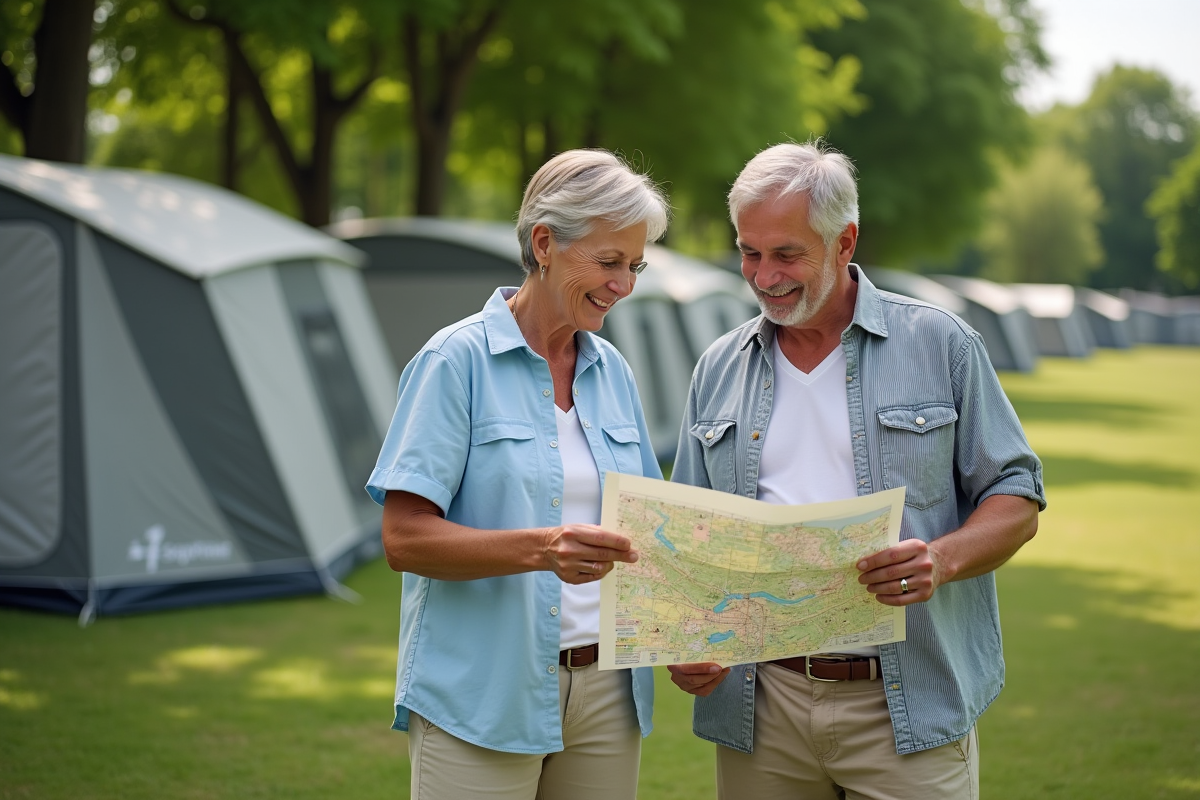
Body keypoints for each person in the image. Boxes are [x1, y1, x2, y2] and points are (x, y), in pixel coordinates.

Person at [666, 141, 1046, 799]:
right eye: (748, 252)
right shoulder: (717, 366)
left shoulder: (942, 344)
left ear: (845, 242)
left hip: (908, 708)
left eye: (787, 254)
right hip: (763, 707)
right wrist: (684, 638)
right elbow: (685, 533)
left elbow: (1016, 493)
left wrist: (943, 559)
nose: (762, 276)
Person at [365, 149, 669, 800]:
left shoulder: (612, 369)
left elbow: (649, 530)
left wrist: (698, 634)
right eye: (610, 261)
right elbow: (404, 538)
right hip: (480, 697)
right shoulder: (455, 362)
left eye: (635, 266)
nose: (625, 284)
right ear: (544, 243)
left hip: (608, 699)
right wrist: (543, 548)